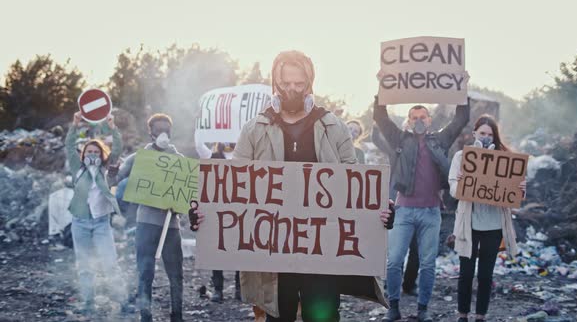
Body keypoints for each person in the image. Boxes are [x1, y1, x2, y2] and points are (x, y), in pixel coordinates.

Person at [190, 50, 392, 322]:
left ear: (310, 85)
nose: (292, 90)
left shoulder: (334, 127)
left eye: (299, 84)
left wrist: (379, 211)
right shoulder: (254, 129)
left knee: (322, 317)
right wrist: (205, 214)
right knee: (276, 316)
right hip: (273, 256)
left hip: (323, 254)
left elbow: (355, 186)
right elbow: (233, 187)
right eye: (286, 84)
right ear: (275, 84)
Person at [374, 97, 470, 322]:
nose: (419, 121)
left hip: (431, 212)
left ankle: (422, 309)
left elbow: (461, 118)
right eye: (414, 117)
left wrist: (460, 89)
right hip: (404, 211)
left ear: (429, 120)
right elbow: (380, 116)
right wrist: (382, 90)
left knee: (428, 263)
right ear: (408, 121)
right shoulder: (399, 138)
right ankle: (393, 306)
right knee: (394, 260)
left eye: (422, 117)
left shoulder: (440, 140)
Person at [110, 113, 184, 322]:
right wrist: (111, 173)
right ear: (150, 133)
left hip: (171, 225)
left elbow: (190, 192)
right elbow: (115, 180)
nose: (163, 134)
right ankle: (146, 316)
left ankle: (177, 316)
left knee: (176, 274)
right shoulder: (138, 158)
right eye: (158, 130)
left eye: (166, 130)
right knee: (145, 272)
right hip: (146, 224)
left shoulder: (180, 161)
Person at [449, 115, 521, 322]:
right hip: (468, 225)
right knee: (466, 274)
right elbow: (453, 189)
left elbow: (512, 194)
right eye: (483, 134)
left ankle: (480, 316)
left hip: (493, 225)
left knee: (485, 275)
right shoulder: (461, 158)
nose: (487, 138)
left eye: (490, 135)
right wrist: (462, 182)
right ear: (474, 135)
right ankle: (462, 315)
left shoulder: (504, 161)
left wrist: (520, 189)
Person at [65, 111, 130, 314]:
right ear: (83, 156)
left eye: (95, 152)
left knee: (110, 264)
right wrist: (74, 126)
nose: (92, 155)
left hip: (101, 223)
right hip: (80, 223)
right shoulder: (77, 169)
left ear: (101, 155)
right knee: (84, 266)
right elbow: (69, 147)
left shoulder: (105, 169)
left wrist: (113, 128)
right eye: (88, 152)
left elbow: (118, 149)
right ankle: (88, 302)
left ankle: (122, 300)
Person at [193, 130, 240, 302]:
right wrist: (200, 122)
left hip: (238, 209)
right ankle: (218, 289)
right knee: (217, 249)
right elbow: (198, 144)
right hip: (216, 210)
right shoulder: (210, 155)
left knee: (238, 248)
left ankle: (239, 289)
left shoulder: (243, 156)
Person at [372, 125, 419, 297]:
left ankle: (409, 284)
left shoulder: (427, 150)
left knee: (416, 247)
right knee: (396, 247)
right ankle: (393, 282)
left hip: (420, 205)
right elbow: (376, 138)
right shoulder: (396, 150)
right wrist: (377, 124)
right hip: (398, 204)